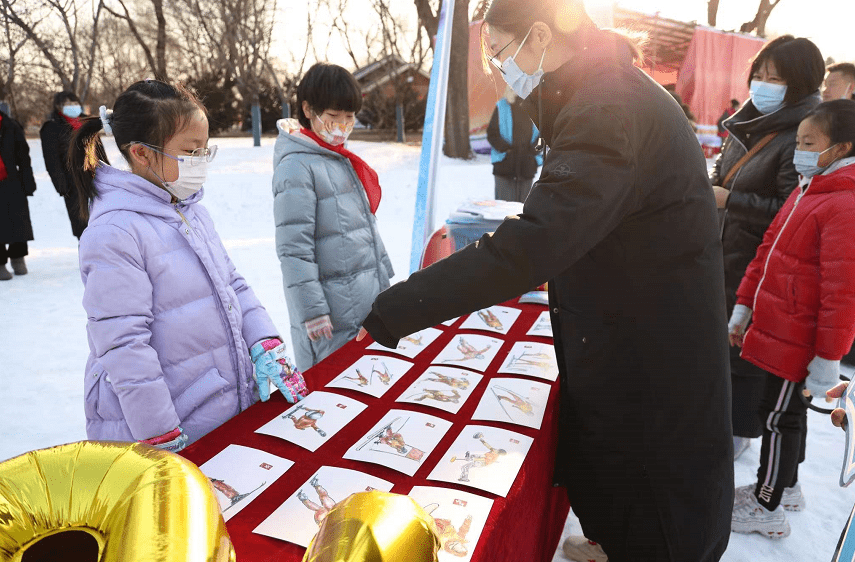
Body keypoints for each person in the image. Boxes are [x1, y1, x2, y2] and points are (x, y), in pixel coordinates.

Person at [358, 0, 733, 559]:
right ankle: (615, 542)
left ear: (540, 33)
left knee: (656, 507)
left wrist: (397, 309)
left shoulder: (608, 107)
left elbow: (533, 245)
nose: (499, 68)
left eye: (500, 53)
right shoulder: (597, 91)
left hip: (652, 355)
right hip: (629, 327)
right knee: (621, 484)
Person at [68, 79, 307, 451]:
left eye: (205, 151)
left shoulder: (190, 211)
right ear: (142, 154)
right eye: (190, 151)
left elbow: (233, 283)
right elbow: (123, 345)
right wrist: (158, 432)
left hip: (217, 405)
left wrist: (264, 340)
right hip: (167, 426)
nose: (200, 162)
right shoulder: (114, 233)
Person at [727, 99, 855, 537]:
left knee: (780, 420)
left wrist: (826, 358)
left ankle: (769, 506)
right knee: (781, 415)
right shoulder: (809, 187)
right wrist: (743, 308)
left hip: (799, 341)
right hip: (779, 330)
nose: (798, 149)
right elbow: (768, 251)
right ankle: (787, 486)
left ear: (840, 148)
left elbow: (844, 294)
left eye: (808, 142)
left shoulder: (845, 204)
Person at [710, 35, 825, 460]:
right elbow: (726, 177)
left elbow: (796, 209)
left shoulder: (806, 134)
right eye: (758, 75)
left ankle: (735, 445)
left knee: (744, 360)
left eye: (774, 78)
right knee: (723, 351)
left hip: (762, 269)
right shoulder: (751, 120)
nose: (763, 85)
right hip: (727, 256)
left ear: (800, 83)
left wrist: (730, 201)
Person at [272, 62, 394, 372]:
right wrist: (312, 311)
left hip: (361, 306)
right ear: (308, 109)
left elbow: (359, 229)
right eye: (332, 117)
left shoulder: (337, 157)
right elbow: (293, 248)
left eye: (349, 118)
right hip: (329, 320)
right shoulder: (297, 167)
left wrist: (384, 282)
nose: (341, 127)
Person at [40, 91, 89, 239]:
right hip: (73, 185)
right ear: (58, 107)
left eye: (74, 103)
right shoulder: (52, 128)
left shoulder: (86, 122)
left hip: (95, 180)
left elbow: (99, 151)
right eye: (68, 104)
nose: (72, 106)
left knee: (103, 224)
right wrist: (63, 187)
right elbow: (52, 161)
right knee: (83, 229)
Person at [486, 87, 542, 202]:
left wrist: (533, 152)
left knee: (523, 210)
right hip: (505, 164)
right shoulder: (502, 106)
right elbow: (492, 133)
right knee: (503, 210)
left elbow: (544, 135)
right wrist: (505, 150)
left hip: (527, 165)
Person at [0, 107, 37, 280]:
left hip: (12, 181)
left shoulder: (10, 125)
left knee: (17, 220)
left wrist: (28, 182)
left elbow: (23, 156)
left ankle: (18, 257)